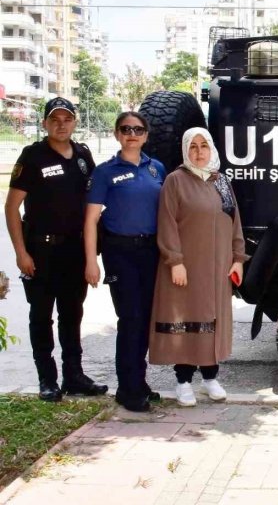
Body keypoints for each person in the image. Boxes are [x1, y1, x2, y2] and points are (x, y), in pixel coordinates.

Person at [4, 97, 108, 401]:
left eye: (67, 119)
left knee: (72, 315)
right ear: (45, 123)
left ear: (74, 122)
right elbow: (12, 208)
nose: (61, 124)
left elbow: (94, 201)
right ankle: (47, 380)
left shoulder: (82, 154)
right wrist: (21, 253)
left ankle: (74, 376)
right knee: (41, 317)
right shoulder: (33, 156)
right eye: (55, 119)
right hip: (41, 251)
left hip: (74, 251)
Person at [149, 128, 246, 407]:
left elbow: (234, 221)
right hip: (186, 268)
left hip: (217, 269)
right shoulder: (175, 181)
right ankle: (183, 382)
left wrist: (238, 258)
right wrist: (175, 261)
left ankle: (210, 378)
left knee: (212, 320)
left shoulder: (222, 182)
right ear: (185, 151)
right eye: (193, 146)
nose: (199, 152)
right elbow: (166, 224)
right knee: (186, 321)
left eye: (204, 146)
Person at [85, 112, 166, 412]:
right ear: (117, 134)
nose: (132, 134)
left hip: (151, 252)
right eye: (126, 129)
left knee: (145, 319)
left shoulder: (157, 168)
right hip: (120, 254)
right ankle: (127, 390)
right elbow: (91, 219)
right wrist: (90, 262)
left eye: (138, 129)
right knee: (130, 318)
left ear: (146, 135)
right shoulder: (105, 172)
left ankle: (139, 383)